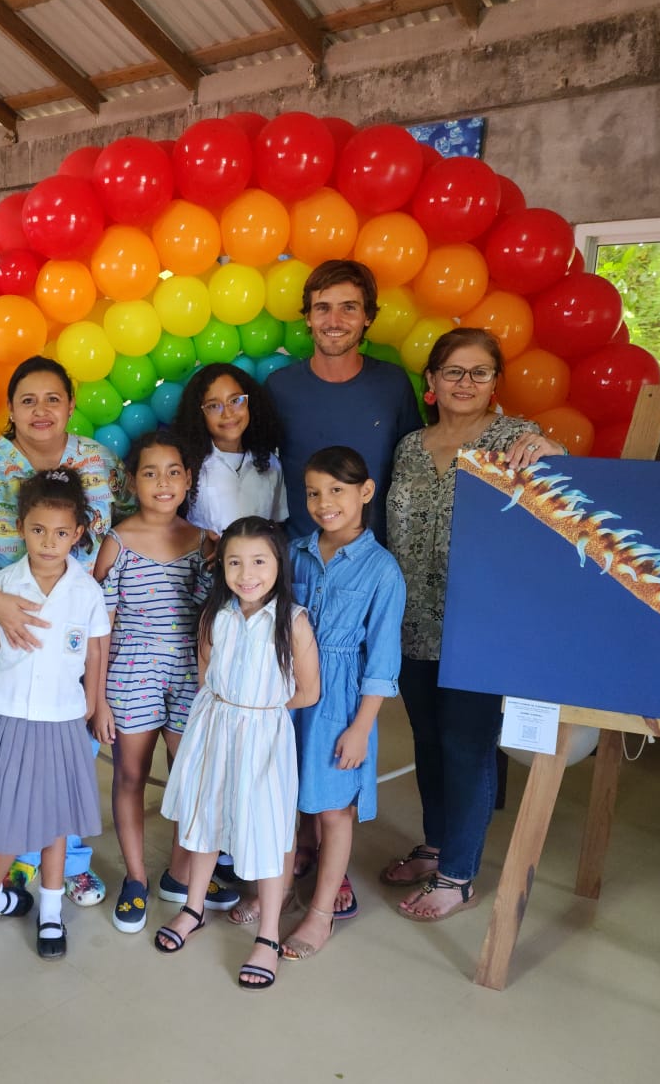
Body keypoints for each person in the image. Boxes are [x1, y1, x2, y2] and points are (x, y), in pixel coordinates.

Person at [0, 356, 130, 907]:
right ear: (11, 410)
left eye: (52, 399)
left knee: (74, 755)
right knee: (17, 759)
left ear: (70, 404)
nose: (41, 410)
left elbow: (131, 530)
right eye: (27, 400)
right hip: (5, 639)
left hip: (77, 639)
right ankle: (20, 859)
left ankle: (73, 864)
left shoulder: (100, 463)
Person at [383, 327, 565, 921]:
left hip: (479, 626)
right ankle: (436, 845)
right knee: (429, 742)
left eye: (479, 372)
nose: (465, 383)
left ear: (495, 383)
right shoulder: (410, 446)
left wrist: (552, 453)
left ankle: (459, 874)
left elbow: (568, 493)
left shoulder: (516, 440)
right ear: (431, 382)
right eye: (453, 372)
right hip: (409, 623)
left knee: (468, 746)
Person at [156, 517, 320, 991]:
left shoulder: (293, 622)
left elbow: (308, 692)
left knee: (267, 832)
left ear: (278, 565)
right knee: (204, 820)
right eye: (234, 562)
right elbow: (206, 673)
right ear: (222, 566)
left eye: (259, 562)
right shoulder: (216, 616)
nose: (246, 573)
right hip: (214, 728)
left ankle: (267, 937)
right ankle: (193, 907)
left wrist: (259, 711)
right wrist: (230, 713)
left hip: (264, 738)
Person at [0, 469, 110, 960]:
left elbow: (94, 653)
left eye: (62, 532)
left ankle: (51, 911)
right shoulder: (1, 584)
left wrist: (92, 704)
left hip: (65, 718)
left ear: (79, 533)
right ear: (22, 527)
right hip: (13, 714)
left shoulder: (87, 590)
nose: (50, 542)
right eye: (38, 530)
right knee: (12, 816)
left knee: (57, 819)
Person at [91, 430, 226, 933]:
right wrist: (98, 700)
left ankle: (180, 873)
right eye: (150, 473)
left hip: (191, 676)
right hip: (130, 674)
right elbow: (97, 632)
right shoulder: (117, 542)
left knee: (188, 779)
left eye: (173, 472)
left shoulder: (207, 542)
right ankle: (135, 879)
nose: (163, 483)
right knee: (129, 775)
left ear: (188, 479)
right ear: (132, 481)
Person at [279, 447, 405, 959]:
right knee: (286, 796)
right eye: (314, 492)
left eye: (337, 490)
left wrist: (360, 727)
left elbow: (382, 661)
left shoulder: (382, 570)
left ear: (365, 492)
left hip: (343, 701)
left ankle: (321, 913)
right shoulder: (294, 552)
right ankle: (279, 888)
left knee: (335, 810)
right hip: (291, 693)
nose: (324, 502)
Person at [265, 259, 423, 542]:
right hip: (300, 564)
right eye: (323, 308)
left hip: (376, 562)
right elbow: (251, 467)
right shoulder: (279, 387)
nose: (334, 321)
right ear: (308, 317)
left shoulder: (393, 383)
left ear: (368, 317)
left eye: (348, 308)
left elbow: (420, 464)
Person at [173, 362, 287, 537]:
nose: (228, 413)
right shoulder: (188, 466)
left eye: (235, 401)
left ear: (250, 403)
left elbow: (277, 525)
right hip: (203, 562)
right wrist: (201, 538)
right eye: (213, 406)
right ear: (198, 414)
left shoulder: (271, 464)